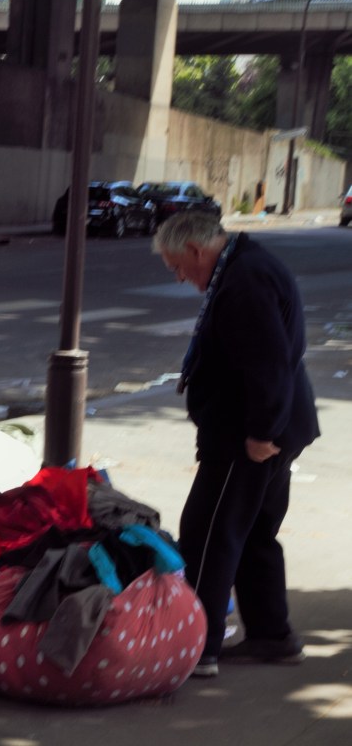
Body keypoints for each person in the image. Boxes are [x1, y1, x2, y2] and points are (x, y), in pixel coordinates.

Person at [152, 212, 320, 678]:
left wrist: (262, 433)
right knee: (252, 534)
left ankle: (197, 648)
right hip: (270, 426)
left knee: (208, 532)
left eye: (178, 267)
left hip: (247, 436)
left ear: (196, 250)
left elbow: (268, 364)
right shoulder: (243, 266)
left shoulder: (244, 280)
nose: (181, 277)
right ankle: (272, 637)